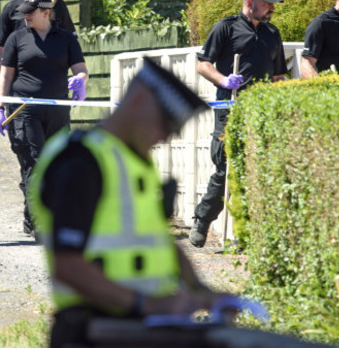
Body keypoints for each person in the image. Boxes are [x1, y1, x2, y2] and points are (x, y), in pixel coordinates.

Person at [28, 58, 236, 348]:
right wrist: (150, 305)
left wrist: (202, 292)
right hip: (92, 330)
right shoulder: (80, 162)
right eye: (166, 124)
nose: (166, 137)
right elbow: (68, 266)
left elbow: (158, 239)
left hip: (139, 328)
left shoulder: (134, 161)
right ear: (139, 100)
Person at [190, 0, 288, 248]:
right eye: (267, 4)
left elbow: (279, 75)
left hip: (260, 109)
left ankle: (244, 236)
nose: (271, 9)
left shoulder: (272, 33)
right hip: (230, 106)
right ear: (249, 2)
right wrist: (223, 80)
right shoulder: (226, 27)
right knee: (226, 167)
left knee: (256, 170)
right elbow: (203, 64)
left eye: (272, 4)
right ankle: (202, 219)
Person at [0, 0, 88, 236]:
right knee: (35, 163)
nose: (24, 16)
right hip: (25, 111)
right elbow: (6, 75)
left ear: (46, 12)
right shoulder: (16, 38)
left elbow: (80, 68)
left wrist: (80, 81)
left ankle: (33, 216)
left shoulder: (66, 39)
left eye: (30, 12)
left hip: (57, 112)